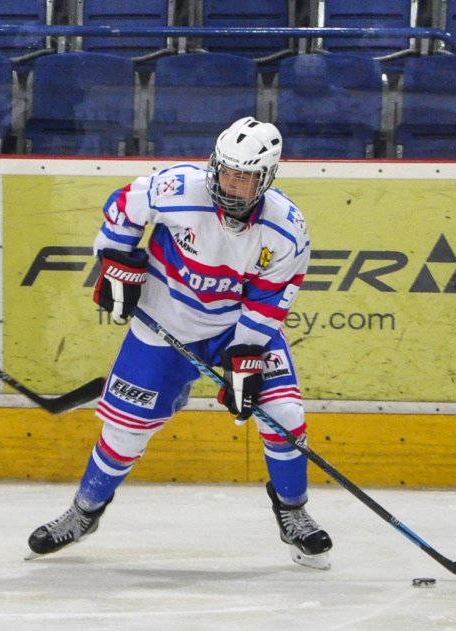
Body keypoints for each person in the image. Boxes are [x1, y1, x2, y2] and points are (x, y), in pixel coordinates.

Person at [28, 117, 333, 569]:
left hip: (236, 327)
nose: (232, 185)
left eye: (246, 178)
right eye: (227, 172)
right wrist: (115, 257)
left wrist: (246, 355)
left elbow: (270, 299)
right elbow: (125, 205)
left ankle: (293, 512)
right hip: (162, 322)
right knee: (124, 431)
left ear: (266, 179)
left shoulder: (286, 229)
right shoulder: (179, 188)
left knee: (285, 414)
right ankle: (84, 513)